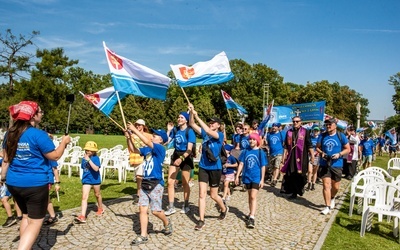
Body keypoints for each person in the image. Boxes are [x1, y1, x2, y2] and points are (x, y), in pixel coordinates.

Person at [1, 101, 71, 249]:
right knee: (35, 221)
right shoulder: (38, 135)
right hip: (35, 184)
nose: (42, 114)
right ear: (33, 116)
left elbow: (6, 159)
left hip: (13, 183)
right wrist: (64, 142)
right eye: (40, 112)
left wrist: (2, 177)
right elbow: (55, 156)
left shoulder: (10, 133)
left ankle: (25, 245)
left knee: (26, 216)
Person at [126, 122, 173, 246]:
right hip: (145, 182)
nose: (152, 136)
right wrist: (129, 138)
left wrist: (134, 130)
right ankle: (143, 235)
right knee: (142, 209)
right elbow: (134, 150)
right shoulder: (148, 150)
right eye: (152, 134)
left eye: (155, 135)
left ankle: (167, 223)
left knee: (155, 211)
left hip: (156, 183)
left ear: (161, 139)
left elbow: (147, 142)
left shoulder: (159, 148)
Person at [188, 104, 228, 231]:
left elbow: (209, 132)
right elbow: (192, 124)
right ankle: (201, 220)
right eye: (210, 122)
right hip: (203, 167)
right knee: (201, 194)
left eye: (213, 122)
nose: (210, 123)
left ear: (218, 125)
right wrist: (191, 113)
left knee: (213, 195)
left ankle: (223, 208)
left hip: (215, 168)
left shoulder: (219, 135)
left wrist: (197, 116)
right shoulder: (205, 134)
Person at [316, 118, 350, 215]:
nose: (328, 126)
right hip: (324, 163)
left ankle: (332, 197)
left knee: (336, 187)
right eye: (326, 124)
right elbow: (317, 147)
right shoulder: (322, 136)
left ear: (335, 125)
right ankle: (327, 206)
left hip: (337, 164)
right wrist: (322, 153)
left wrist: (339, 154)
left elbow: (347, 149)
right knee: (326, 185)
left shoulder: (341, 136)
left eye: (330, 124)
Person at [165, 112, 196, 215]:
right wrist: (169, 131)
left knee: (184, 182)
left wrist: (182, 158)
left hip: (186, 156)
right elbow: (166, 141)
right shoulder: (175, 130)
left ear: (186, 120)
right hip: (176, 154)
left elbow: (189, 149)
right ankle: (171, 206)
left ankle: (186, 205)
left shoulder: (189, 131)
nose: (179, 119)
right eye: (178, 117)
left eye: (181, 117)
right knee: (170, 182)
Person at [235, 133, 267, 228]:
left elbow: (263, 166)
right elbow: (241, 164)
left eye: (253, 139)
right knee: (249, 196)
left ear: (257, 141)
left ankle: (252, 217)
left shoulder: (260, 152)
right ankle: (250, 212)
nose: (251, 141)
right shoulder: (245, 151)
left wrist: (262, 179)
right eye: (250, 139)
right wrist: (237, 176)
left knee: (253, 196)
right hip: (247, 176)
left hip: (256, 177)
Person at [281, 116, 314, 199]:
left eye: (297, 121)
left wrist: (312, 156)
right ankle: (293, 192)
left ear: (301, 122)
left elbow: (309, 145)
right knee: (291, 174)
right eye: (294, 121)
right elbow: (285, 146)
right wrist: (283, 157)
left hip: (302, 157)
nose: (295, 123)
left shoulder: (305, 132)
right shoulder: (289, 132)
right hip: (291, 157)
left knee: (301, 175)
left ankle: (300, 187)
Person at [74, 141, 104, 223]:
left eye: (90, 150)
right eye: (87, 150)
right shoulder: (84, 158)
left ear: (94, 151)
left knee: (97, 194)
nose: (88, 152)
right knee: (84, 197)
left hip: (95, 179)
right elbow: (83, 167)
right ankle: (83, 216)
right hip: (86, 179)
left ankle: (100, 208)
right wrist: (85, 160)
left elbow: (96, 169)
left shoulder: (96, 158)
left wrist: (89, 160)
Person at [126, 119, 153, 203]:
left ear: (143, 126)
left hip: (146, 158)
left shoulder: (149, 135)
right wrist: (128, 138)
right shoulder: (132, 135)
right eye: (136, 125)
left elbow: (153, 144)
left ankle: (142, 194)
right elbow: (131, 148)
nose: (138, 126)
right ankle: (140, 193)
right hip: (136, 157)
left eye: (140, 125)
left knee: (141, 177)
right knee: (139, 177)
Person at [265, 122, 285, 187]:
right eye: (273, 126)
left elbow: (284, 143)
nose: (274, 127)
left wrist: (284, 153)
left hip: (279, 152)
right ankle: (275, 176)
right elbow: (268, 143)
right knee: (272, 167)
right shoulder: (269, 134)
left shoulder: (281, 134)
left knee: (277, 166)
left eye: (276, 126)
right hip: (271, 153)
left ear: (278, 128)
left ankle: (274, 179)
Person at [43, 160, 60, 225]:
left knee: (45, 198)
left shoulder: (49, 154)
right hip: (36, 178)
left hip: (47, 179)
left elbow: (55, 169)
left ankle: (53, 216)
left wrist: (57, 183)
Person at [305, 125, 320, 191]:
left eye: (317, 131)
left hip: (317, 156)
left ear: (319, 132)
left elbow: (320, 147)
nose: (315, 132)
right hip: (310, 155)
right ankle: (309, 183)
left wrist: (316, 152)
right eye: (314, 130)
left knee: (314, 171)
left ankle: (313, 184)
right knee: (309, 171)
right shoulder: (310, 138)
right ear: (312, 131)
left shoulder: (319, 138)